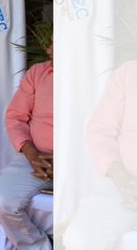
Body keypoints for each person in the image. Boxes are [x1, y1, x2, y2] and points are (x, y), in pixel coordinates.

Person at [63, 60, 137, 249]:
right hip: (122, 183)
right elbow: (100, 131)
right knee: (78, 239)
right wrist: (120, 177)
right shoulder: (129, 72)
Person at [0, 41, 54, 250]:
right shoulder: (37, 73)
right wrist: (32, 154)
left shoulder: (95, 75)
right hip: (34, 158)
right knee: (0, 200)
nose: (52, 49)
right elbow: (16, 118)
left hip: (81, 162)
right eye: (53, 43)